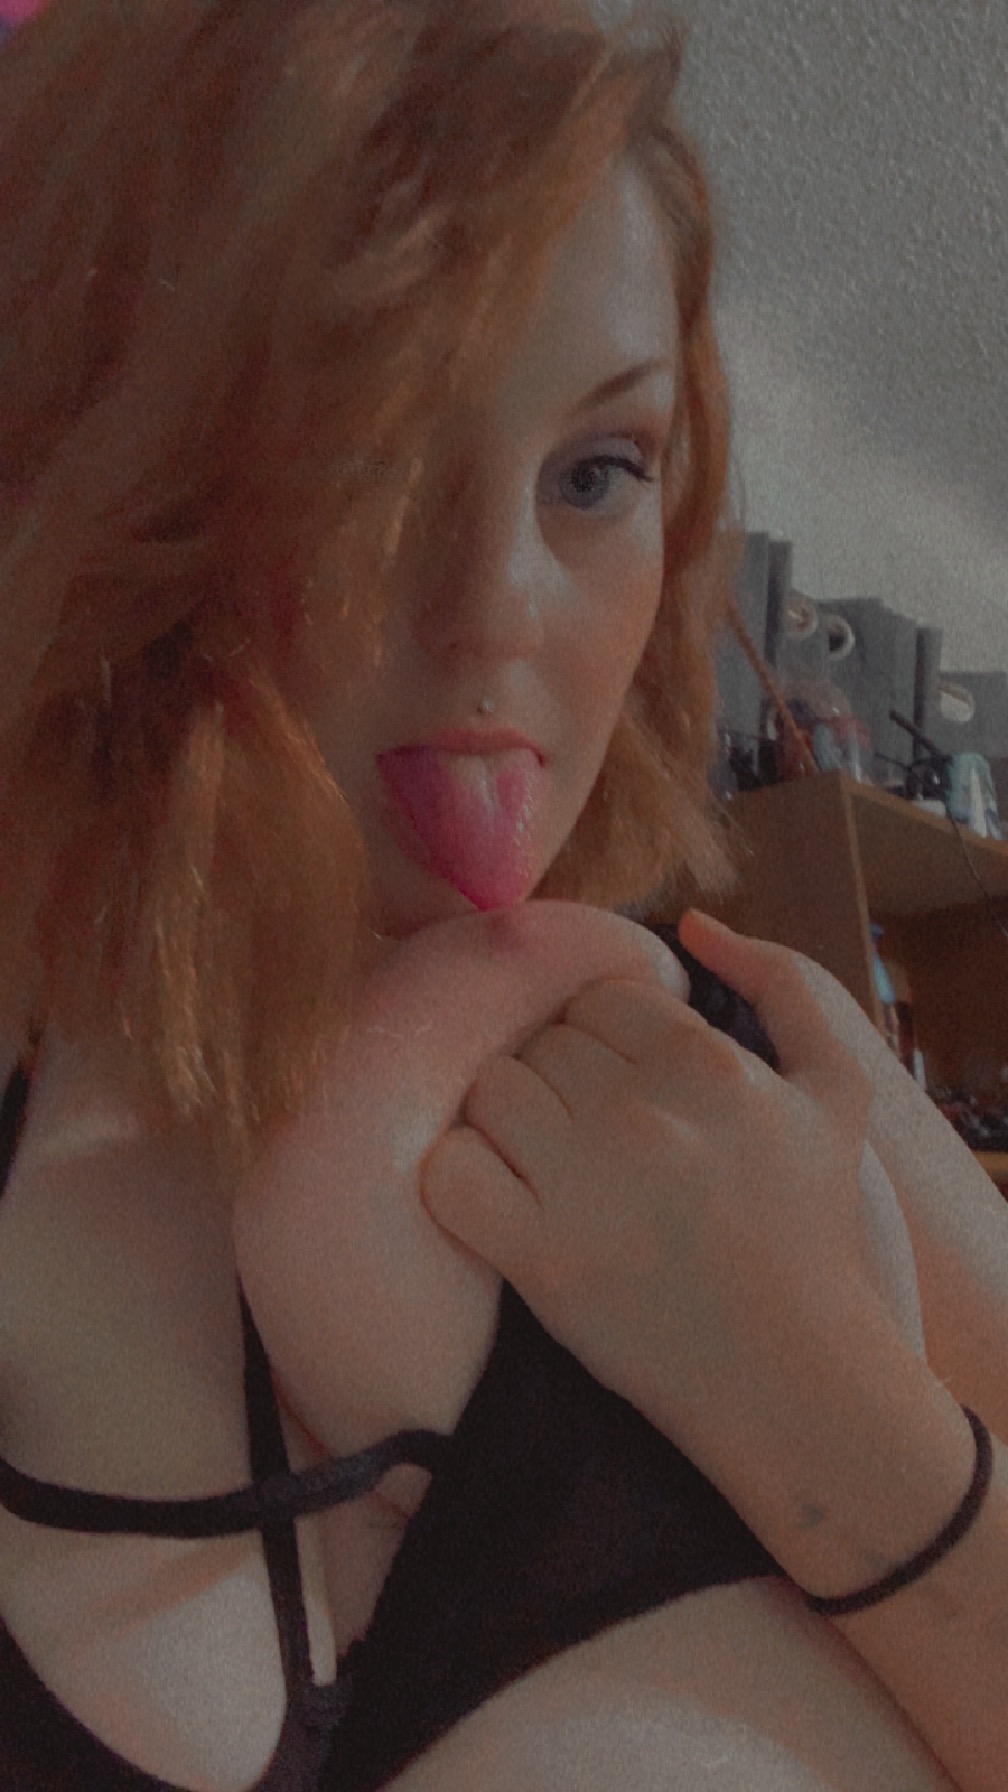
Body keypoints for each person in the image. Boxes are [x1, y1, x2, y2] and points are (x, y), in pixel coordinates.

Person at [0, 2, 1006, 1789]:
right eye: (359, 462)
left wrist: (821, 1399)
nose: (499, 613)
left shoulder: (773, 1072)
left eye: (596, 475)